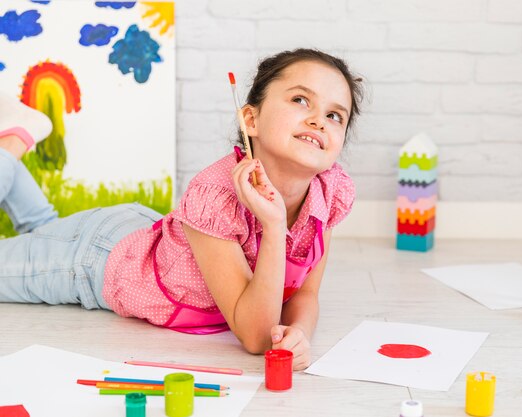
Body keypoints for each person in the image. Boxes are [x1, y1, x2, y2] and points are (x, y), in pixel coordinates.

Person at [0, 49, 363, 371]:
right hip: (97, 260)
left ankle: (13, 144)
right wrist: (272, 224)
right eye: (301, 100)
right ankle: (13, 145)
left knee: (44, 227)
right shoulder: (215, 195)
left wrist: (298, 333)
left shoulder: (328, 193)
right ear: (250, 120)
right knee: (45, 237)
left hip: (145, 234)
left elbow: (304, 295)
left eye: (335, 116)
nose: (319, 120)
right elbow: (255, 337)